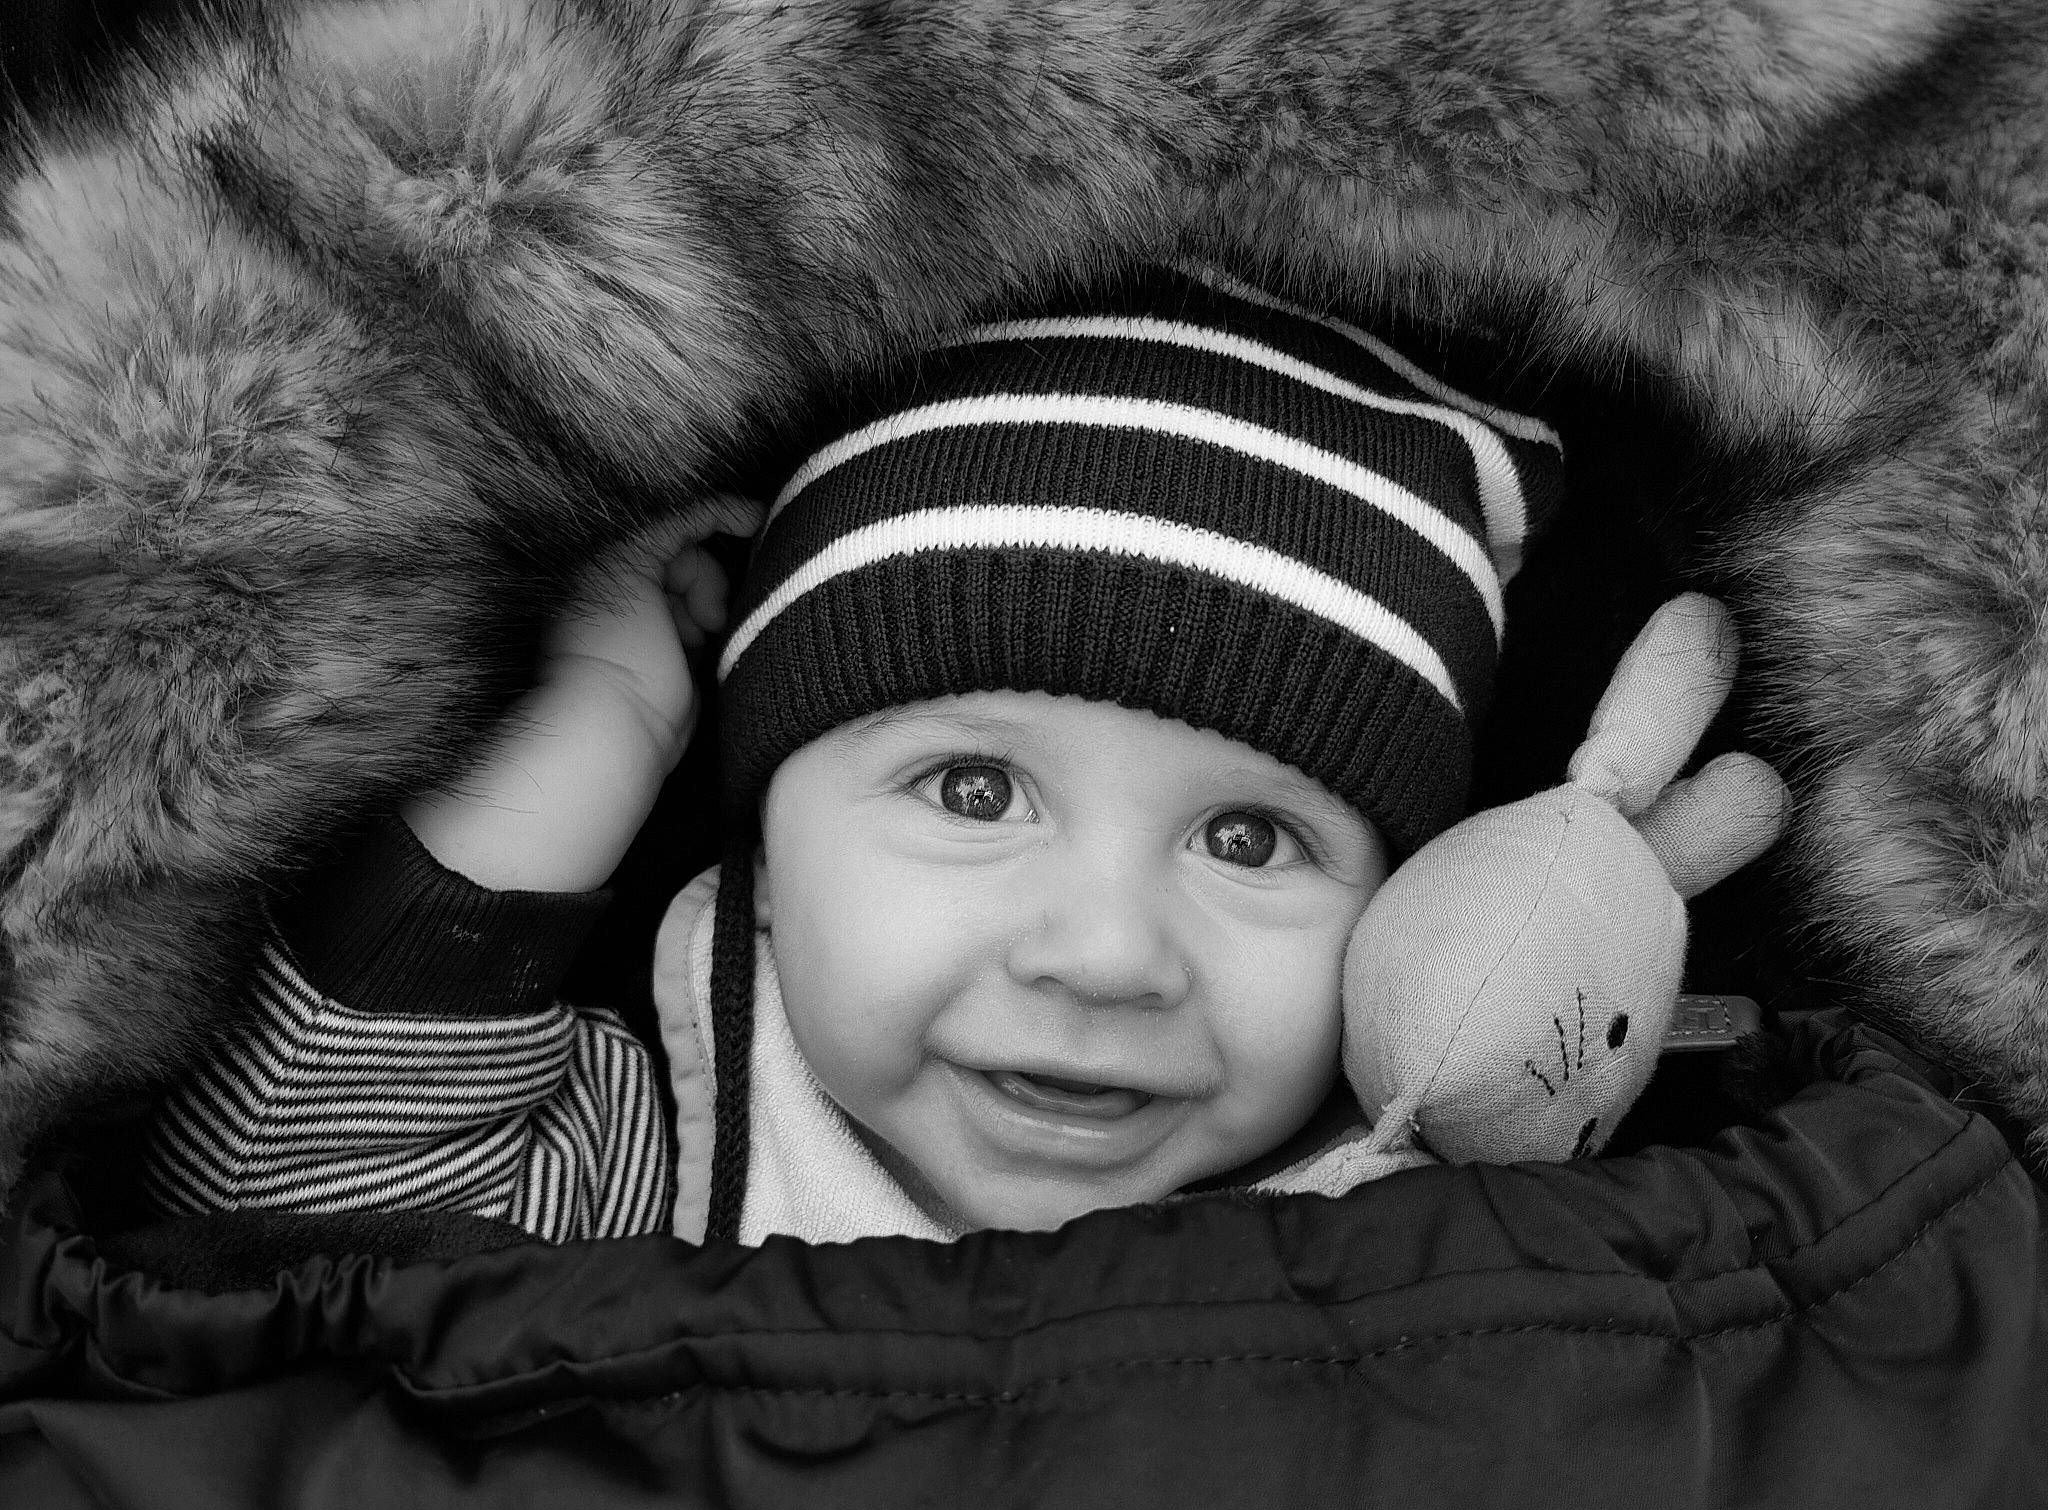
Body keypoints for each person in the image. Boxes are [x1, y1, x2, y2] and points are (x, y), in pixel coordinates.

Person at [142, 268, 1566, 1245]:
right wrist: (609, 723)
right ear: (764, 865)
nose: (1106, 955)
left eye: (1249, 839)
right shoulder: (680, 1156)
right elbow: (282, 1187)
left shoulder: (1438, 1209)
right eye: (975, 791)